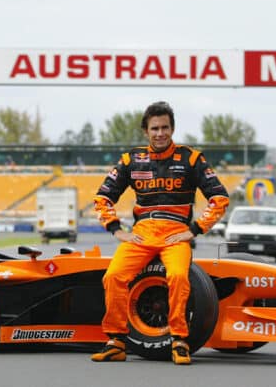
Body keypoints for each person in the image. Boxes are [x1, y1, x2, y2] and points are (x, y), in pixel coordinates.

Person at [90, 101, 229, 365]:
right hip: (142, 232)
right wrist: (116, 229)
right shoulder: (132, 159)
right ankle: (117, 342)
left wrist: (195, 229)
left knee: (177, 276)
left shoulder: (191, 158)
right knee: (114, 277)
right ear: (146, 131)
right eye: (155, 128)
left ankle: (178, 339)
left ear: (172, 129)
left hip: (176, 233)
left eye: (165, 127)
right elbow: (102, 197)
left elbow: (219, 198)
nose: (160, 133)